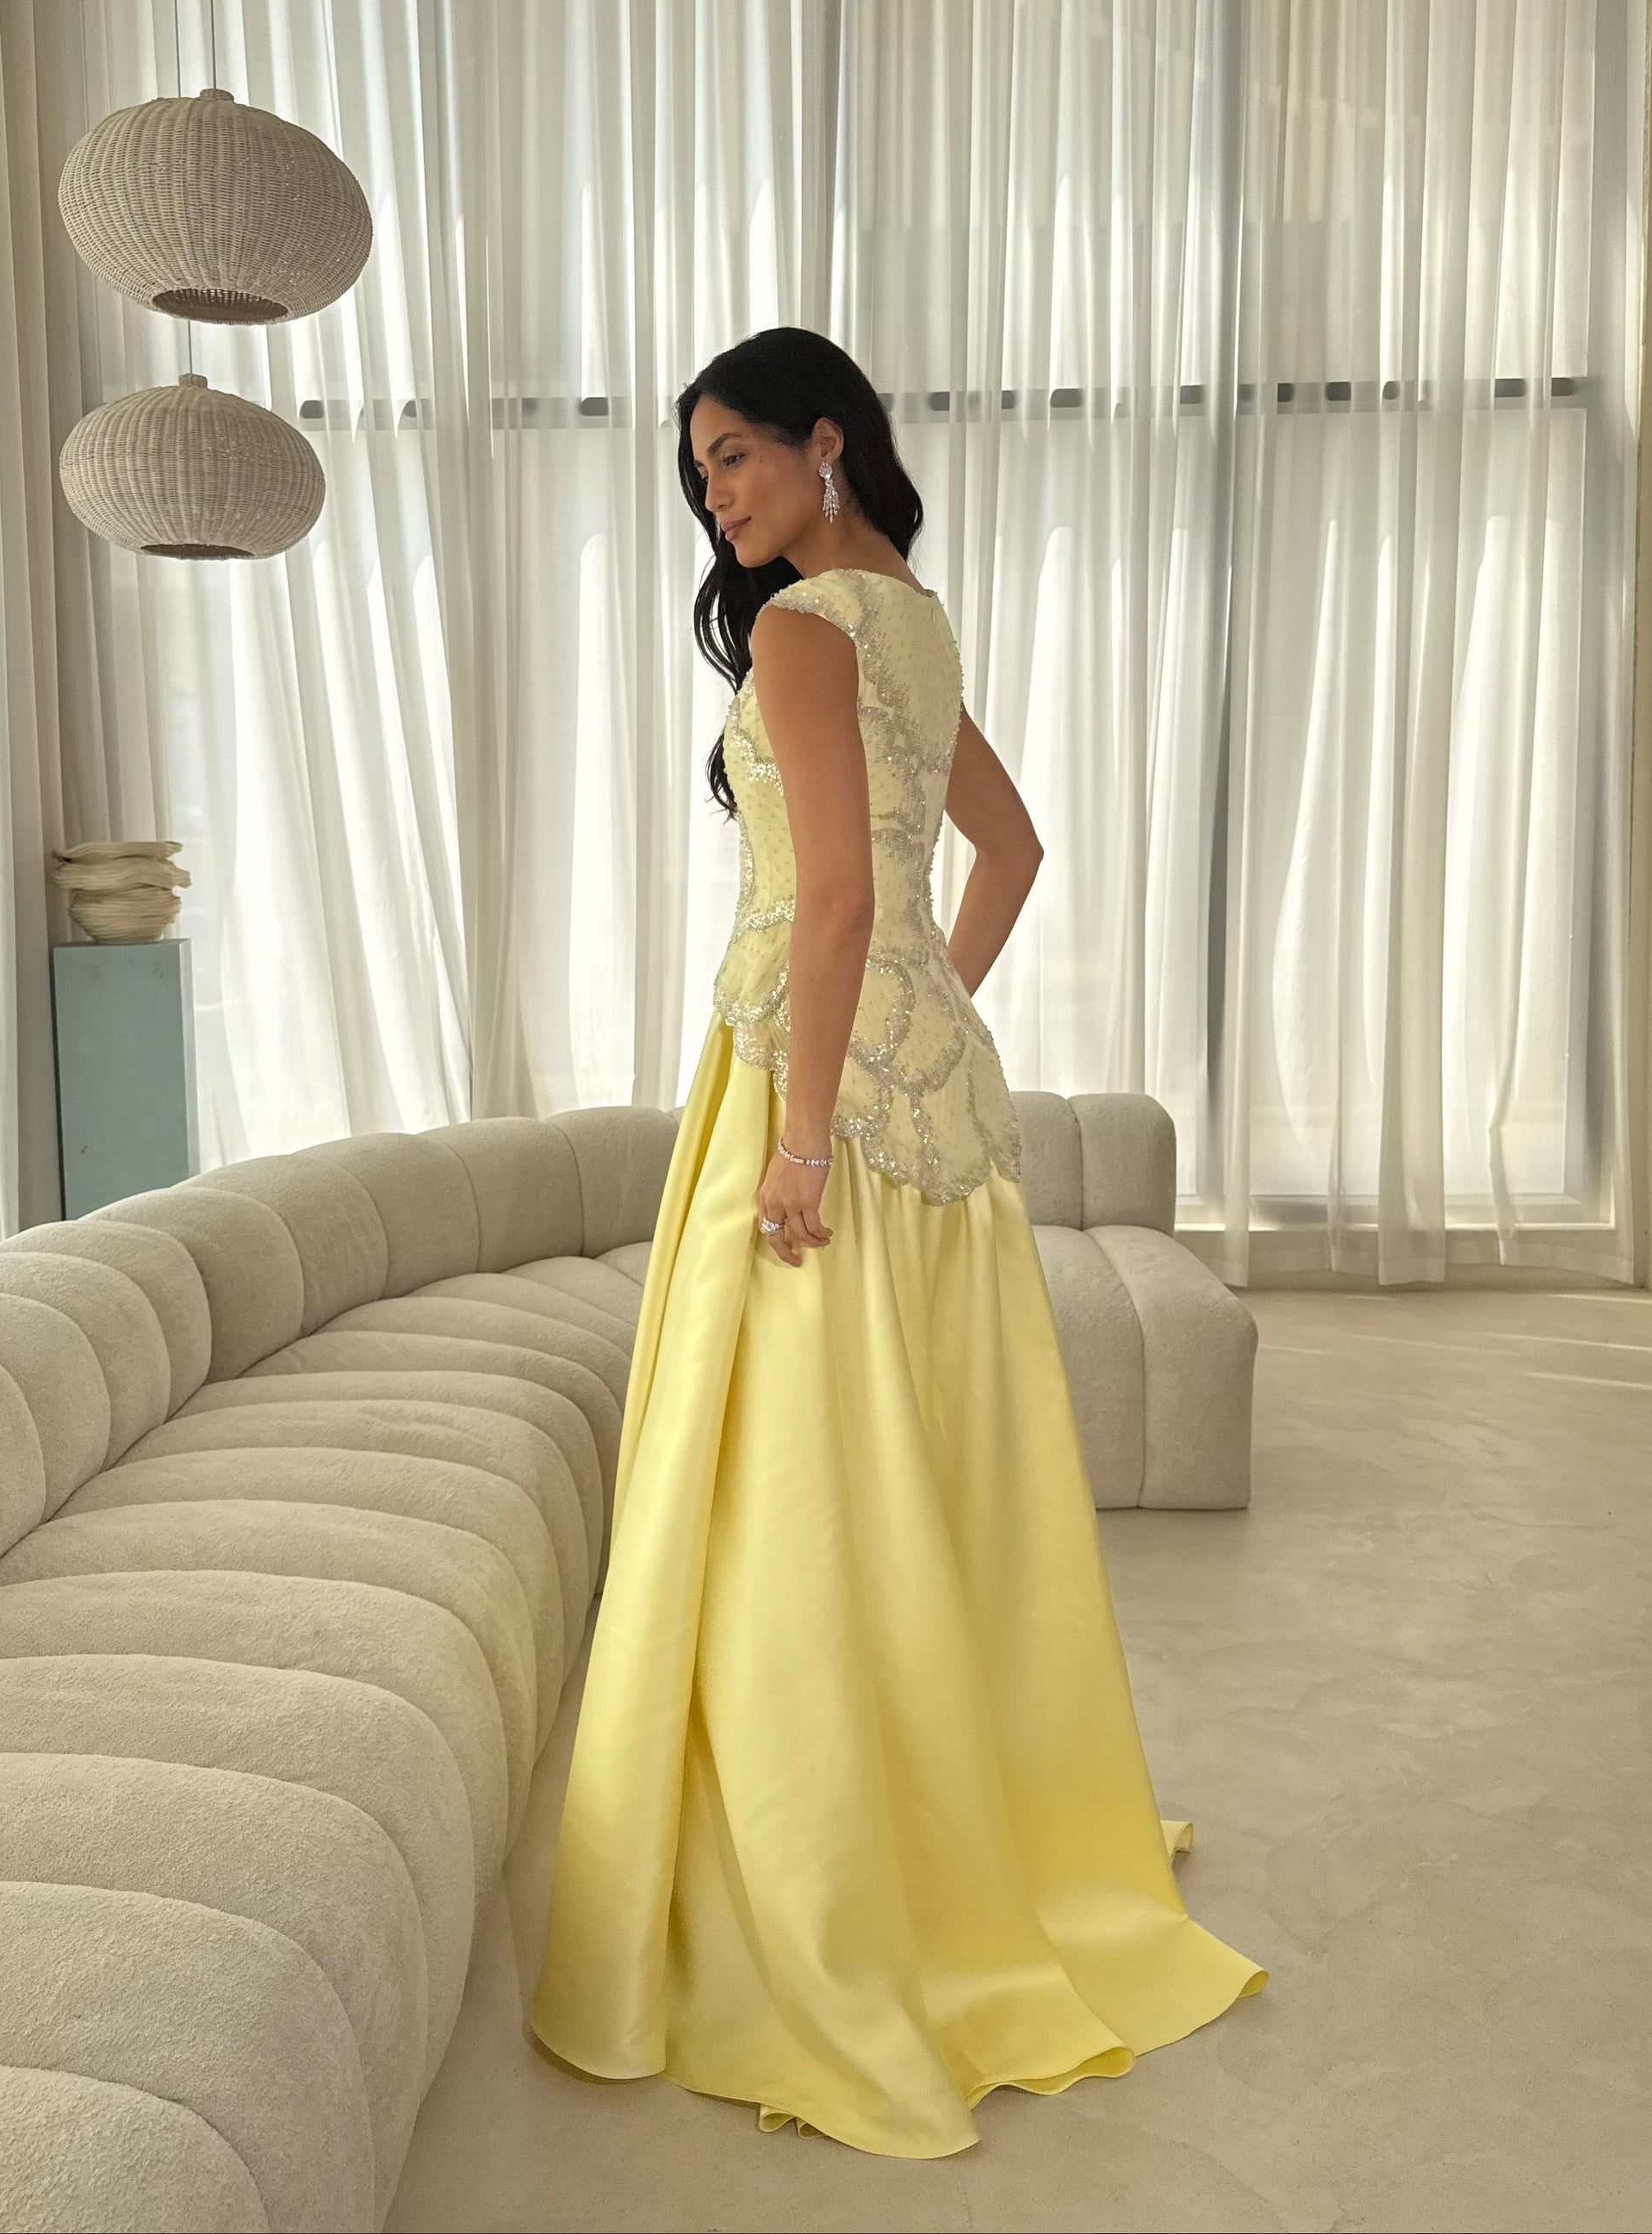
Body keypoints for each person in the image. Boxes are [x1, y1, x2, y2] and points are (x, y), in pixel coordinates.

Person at [525, 326, 1266, 2158]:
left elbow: (842, 897)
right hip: (932, 1104)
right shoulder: (910, 623)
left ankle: (832, 1870)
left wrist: (801, 1131)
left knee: (788, 1485)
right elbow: (1002, 857)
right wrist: (927, 1018)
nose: (714, 494)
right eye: (699, 471)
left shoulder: (800, 629)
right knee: (913, 1471)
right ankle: (953, 1825)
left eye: (733, 455)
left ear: (825, 442)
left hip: (806, 1100)